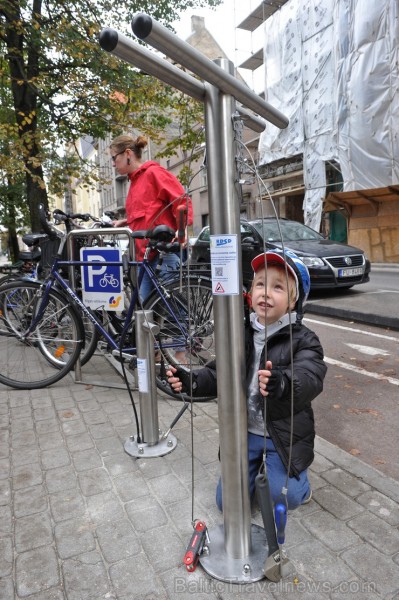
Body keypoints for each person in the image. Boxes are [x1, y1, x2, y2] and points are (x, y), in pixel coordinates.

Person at [167, 248, 327, 510]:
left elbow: (311, 376)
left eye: (278, 287)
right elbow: (220, 373)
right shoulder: (239, 332)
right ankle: (257, 472)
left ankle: (300, 484)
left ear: (293, 301)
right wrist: (191, 381)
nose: (265, 292)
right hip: (245, 433)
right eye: (260, 284)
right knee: (227, 502)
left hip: (282, 436)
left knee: (285, 496)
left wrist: (283, 383)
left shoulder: (304, 339)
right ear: (250, 292)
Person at [109, 134, 193, 302]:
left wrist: (182, 229)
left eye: (114, 157)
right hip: (145, 257)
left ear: (127, 154)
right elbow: (149, 211)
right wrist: (125, 221)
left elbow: (181, 200)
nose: (113, 163)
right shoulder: (135, 181)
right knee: (147, 309)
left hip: (161, 252)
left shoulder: (153, 173)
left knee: (174, 313)